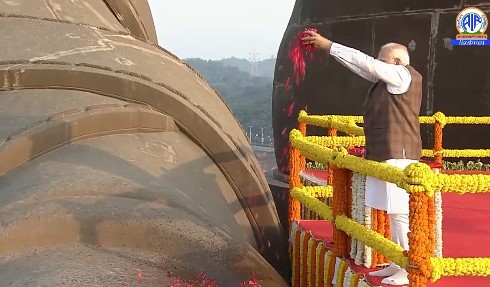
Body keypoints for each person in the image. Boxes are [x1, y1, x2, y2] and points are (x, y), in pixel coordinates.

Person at [302, 30, 423, 286]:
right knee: (393, 213)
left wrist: (330, 44)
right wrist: (329, 50)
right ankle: (396, 261)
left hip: (398, 155)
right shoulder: (387, 81)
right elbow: (361, 66)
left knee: (400, 213)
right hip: (384, 154)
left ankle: (409, 267)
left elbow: (365, 63)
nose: (377, 64)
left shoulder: (403, 75)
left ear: (398, 61)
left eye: (383, 60)